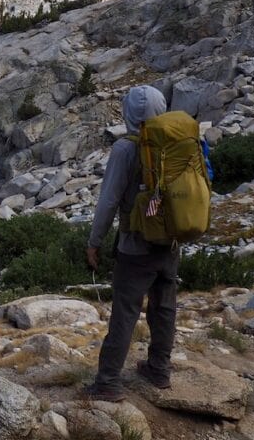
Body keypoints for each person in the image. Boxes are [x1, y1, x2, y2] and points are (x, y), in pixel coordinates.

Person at [85, 84, 176, 401]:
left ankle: (108, 382)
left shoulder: (126, 149)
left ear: (127, 113)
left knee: (125, 312)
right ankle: (159, 370)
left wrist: (94, 241)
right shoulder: (176, 141)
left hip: (135, 244)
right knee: (164, 308)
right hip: (171, 242)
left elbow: (108, 201)